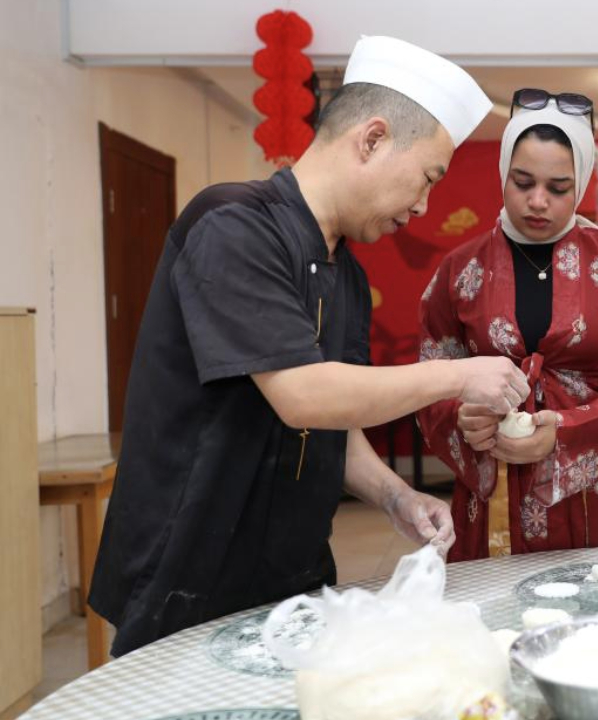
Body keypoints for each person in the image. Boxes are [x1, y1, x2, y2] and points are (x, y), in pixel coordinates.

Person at [90, 36, 531, 656]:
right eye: (427, 177)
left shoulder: (345, 270)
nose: (424, 204)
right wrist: (460, 376)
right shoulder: (232, 226)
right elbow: (303, 394)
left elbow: (336, 422)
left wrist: (394, 494)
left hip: (292, 573)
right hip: (185, 575)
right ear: (372, 139)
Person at [417, 89, 598, 561]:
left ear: (581, 184)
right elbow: (430, 376)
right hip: (498, 489)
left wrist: (567, 431)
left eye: (558, 188)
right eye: (522, 182)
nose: (538, 202)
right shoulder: (459, 270)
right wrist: (462, 417)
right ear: (503, 176)